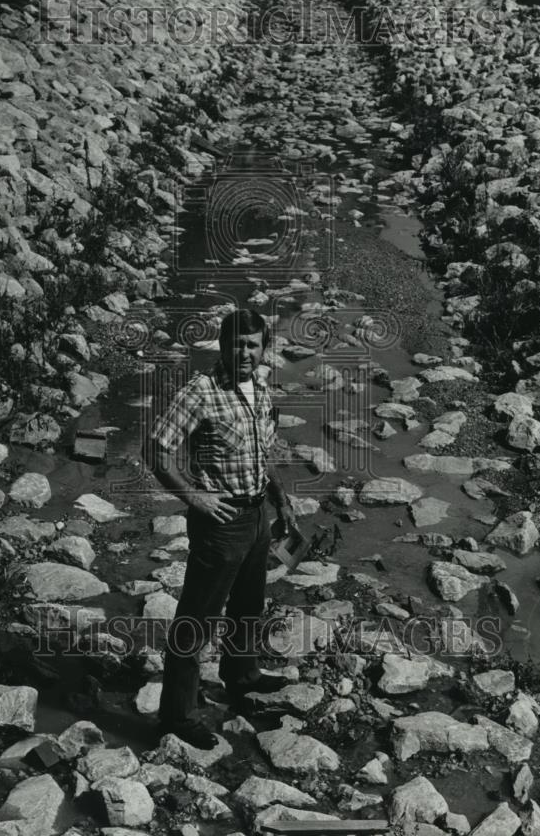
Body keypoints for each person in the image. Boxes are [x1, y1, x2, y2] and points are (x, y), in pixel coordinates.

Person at [145, 308, 298, 749]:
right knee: (197, 617)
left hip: (256, 517)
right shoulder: (202, 391)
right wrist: (193, 496)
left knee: (248, 605)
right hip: (220, 520)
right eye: (237, 343)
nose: (245, 352)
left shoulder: (261, 388)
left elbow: (262, 452)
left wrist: (281, 499)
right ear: (223, 345)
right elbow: (156, 449)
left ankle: (242, 677)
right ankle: (177, 715)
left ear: (263, 347)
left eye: (253, 344)